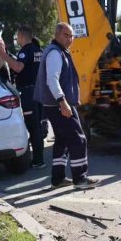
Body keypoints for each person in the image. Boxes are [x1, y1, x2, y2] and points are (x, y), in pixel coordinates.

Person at [34, 23, 100, 190]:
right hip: (59, 104)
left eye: (71, 36)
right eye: (66, 35)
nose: (70, 39)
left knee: (62, 141)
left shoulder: (58, 51)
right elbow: (52, 80)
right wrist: (62, 102)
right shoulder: (55, 53)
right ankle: (80, 179)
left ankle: (58, 179)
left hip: (58, 104)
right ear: (57, 35)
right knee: (78, 139)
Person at [0, 25, 46, 169]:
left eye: (17, 36)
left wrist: (3, 54)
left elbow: (18, 67)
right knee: (38, 125)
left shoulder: (25, 50)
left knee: (32, 126)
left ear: (22, 36)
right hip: (39, 91)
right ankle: (39, 158)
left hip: (29, 93)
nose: (16, 38)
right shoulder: (38, 51)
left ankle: (38, 160)